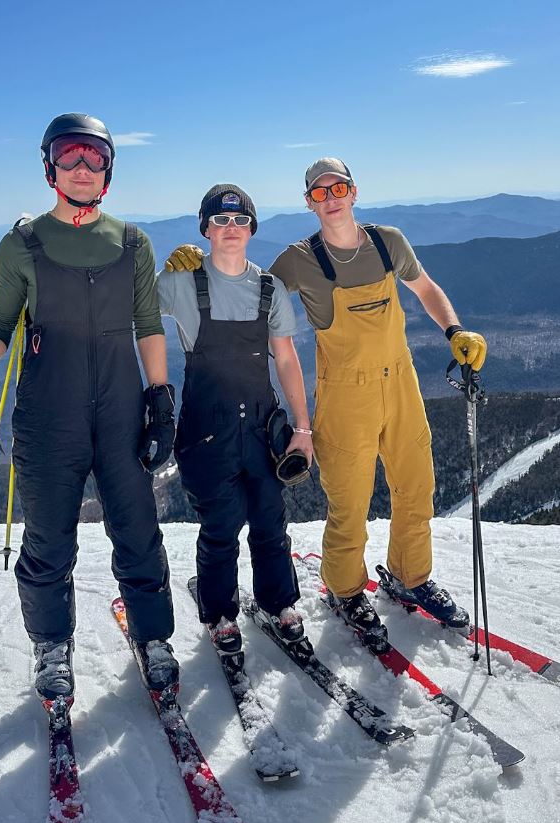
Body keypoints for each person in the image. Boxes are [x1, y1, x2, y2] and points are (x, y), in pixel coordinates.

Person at [164, 159, 487, 653]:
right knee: (349, 503)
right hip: (344, 394)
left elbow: (425, 289)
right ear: (309, 202)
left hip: (401, 386)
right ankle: (346, 591)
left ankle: (411, 576)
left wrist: (455, 330)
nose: (330, 196)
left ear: (353, 192)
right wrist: (197, 273)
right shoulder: (298, 260)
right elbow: (249, 292)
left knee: (416, 489)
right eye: (319, 192)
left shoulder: (388, 242)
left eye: (338, 187)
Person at [0, 113, 178, 699]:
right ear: (50, 165)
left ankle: (154, 636)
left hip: (123, 410)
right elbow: (0, 322)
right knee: (50, 538)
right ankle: (52, 645)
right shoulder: (22, 243)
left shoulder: (132, 242)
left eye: (94, 157)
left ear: (108, 169)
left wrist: (161, 398)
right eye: (70, 155)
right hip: (49, 417)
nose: (82, 168)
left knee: (138, 529)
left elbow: (148, 324)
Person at [158, 184, 312, 653]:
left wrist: (302, 429)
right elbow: (124, 307)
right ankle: (221, 614)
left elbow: (285, 359)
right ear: (204, 229)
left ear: (251, 229)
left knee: (270, 519)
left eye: (239, 221)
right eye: (220, 221)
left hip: (262, 426)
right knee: (220, 524)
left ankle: (278, 601)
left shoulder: (271, 290)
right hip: (206, 431)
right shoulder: (180, 283)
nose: (230, 229)